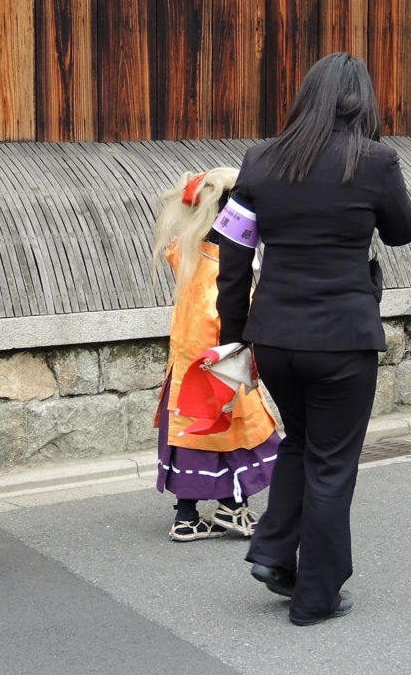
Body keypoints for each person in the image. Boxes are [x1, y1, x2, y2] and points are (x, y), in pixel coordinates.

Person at [215, 53, 411, 625]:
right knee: (332, 464)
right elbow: (404, 231)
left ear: (307, 96)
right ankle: (315, 597)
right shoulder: (375, 161)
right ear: (362, 102)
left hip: (274, 338)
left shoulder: (259, 160)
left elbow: (232, 257)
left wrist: (234, 339)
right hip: (342, 339)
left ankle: (273, 554)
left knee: (300, 443)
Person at [152, 168, 281, 542]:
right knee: (234, 441)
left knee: (191, 440)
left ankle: (187, 517)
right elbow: (228, 316)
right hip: (220, 366)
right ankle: (233, 508)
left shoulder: (188, 254)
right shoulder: (225, 268)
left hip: (185, 369)